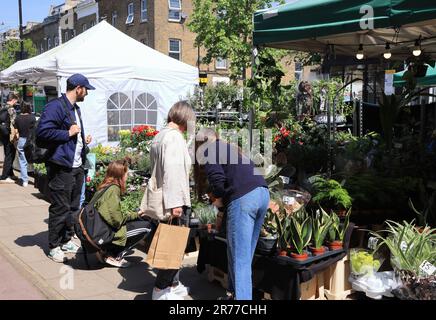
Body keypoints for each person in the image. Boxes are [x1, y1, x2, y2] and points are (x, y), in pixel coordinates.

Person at [194, 128, 269, 300]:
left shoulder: (209, 150)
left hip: (244, 198)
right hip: (262, 193)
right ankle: (235, 294)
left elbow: (219, 183)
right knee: (243, 254)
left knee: (239, 258)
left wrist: (217, 199)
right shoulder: (231, 148)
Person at [139, 100, 195, 300]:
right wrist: (176, 204)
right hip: (174, 199)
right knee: (173, 245)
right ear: (186, 118)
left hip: (163, 197)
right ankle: (161, 289)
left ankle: (172, 284)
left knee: (172, 243)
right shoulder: (174, 138)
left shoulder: (161, 135)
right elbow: (172, 172)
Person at [36, 73, 94, 263]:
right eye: (86, 90)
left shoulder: (74, 108)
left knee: (73, 206)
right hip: (61, 166)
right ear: (78, 88)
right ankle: (54, 246)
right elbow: (43, 132)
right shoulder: (56, 107)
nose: (87, 93)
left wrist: (81, 139)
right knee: (60, 208)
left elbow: (72, 134)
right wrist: (67, 133)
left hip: (75, 165)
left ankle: (66, 239)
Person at [92, 159, 151, 268]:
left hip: (98, 229)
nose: (128, 176)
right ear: (120, 175)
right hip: (105, 233)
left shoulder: (105, 186)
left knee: (137, 222)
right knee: (146, 227)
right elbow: (116, 220)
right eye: (126, 173)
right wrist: (136, 214)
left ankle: (105, 250)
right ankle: (111, 254)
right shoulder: (113, 190)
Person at [13, 102, 36, 187]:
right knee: (34, 159)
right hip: (31, 141)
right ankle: (36, 180)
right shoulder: (32, 118)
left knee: (23, 161)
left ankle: (25, 180)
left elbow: (16, 131)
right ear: (29, 107)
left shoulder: (18, 118)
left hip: (22, 140)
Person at [0, 93, 19, 183]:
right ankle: (4, 176)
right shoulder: (11, 109)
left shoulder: (3, 107)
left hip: (3, 134)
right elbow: (14, 123)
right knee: (10, 154)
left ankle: (10, 173)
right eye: (16, 101)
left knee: (7, 153)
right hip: (9, 135)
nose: (16, 102)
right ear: (13, 100)